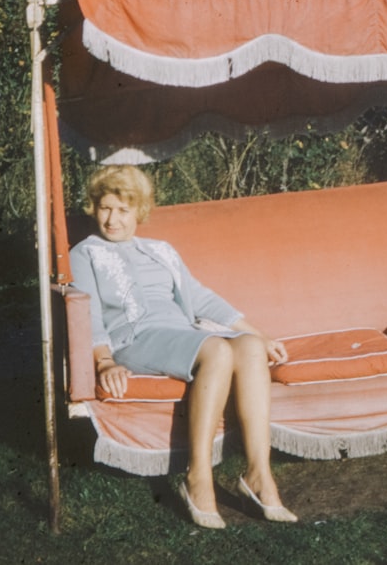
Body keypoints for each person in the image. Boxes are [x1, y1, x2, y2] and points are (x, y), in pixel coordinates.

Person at [69, 165, 297, 529]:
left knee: (251, 347)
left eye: (122, 210)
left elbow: (201, 299)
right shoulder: (85, 253)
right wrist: (105, 361)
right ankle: (198, 478)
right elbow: (88, 312)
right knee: (218, 351)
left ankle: (259, 475)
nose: (112, 220)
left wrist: (260, 333)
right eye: (105, 208)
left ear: (139, 211)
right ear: (93, 208)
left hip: (182, 334)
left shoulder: (161, 250)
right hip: (136, 340)